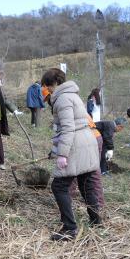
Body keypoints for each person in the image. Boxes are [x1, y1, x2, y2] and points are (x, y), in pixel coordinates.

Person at [42, 68, 101, 242]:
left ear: (54, 83)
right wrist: (55, 150)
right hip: (87, 141)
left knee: (58, 186)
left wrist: (62, 154)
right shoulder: (73, 94)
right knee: (86, 184)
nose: (48, 90)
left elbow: (67, 128)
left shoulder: (63, 99)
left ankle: (70, 228)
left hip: (76, 145)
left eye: (47, 86)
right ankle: (96, 220)